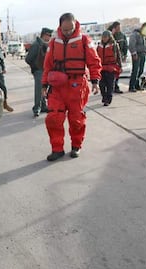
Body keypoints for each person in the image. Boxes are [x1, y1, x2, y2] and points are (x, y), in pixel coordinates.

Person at [41, 13, 101, 161]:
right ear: (60, 26)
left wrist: (95, 81)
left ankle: (76, 146)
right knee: (53, 118)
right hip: (57, 87)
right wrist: (44, 85)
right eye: (65, 30)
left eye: (70, 29)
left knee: (76, 119)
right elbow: (47, 66)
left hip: (77, 86)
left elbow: (94, 61)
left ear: (75, 25)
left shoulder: (84, 40)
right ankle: (57, 149)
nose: (68, 32)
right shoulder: (54, 42)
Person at [25, 27, 53, 117]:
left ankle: (43, 106)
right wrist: (35, 67)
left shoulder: (44, 44)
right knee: (39, 90)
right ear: (44, 35)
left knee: (43, 89)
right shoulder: (36, 45)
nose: (50, 37)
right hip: (39, 71)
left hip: (44, 70)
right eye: (49, 35)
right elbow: (28, 59)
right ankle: (36, 108)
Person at [97, 31, 122, 106]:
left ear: (109, 37)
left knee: (110, 85)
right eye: (103, 37)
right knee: (101, 85)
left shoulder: (114, 45)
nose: (104, 38)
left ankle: (108, 99)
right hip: (102, 68)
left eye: (106, 37)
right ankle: (104, 97)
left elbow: (118, 56)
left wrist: (120, 66)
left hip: (111, 68)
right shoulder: (99, 46)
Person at [128, 22, 146, 92]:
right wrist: (134, 53)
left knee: (141, 70)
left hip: (143, 54)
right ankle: (131, 86)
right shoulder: (135, 34)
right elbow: (131, 45)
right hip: (136, 54)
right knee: (135, 70)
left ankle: (137, 85)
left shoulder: (145, 36)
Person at [108, 21, 128, 93]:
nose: (119, 29)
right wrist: (112, 34)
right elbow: (106, 43)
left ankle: (115, 86)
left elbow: (125, 45)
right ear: (114, 28)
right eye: (118, 27)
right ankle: (113, 87)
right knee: (112, 73)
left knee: (118, 72)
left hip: (120, 56)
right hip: (111, 57)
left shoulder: (122, 35)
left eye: (120, 27)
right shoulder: (109, 34)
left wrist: (125, 55)